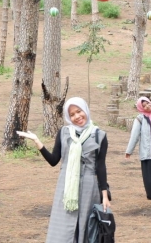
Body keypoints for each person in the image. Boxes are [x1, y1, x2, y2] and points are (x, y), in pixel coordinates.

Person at [18, 97, 110, 243]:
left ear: (85, 110)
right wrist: (37, 141)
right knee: (63, 227)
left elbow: (100, 166)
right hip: (66, 187)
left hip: (89, 186)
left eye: (79, 111)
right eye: (72, 114)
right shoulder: (64, 132)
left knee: (86, 226)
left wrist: (104, 195)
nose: (77, 117)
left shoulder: (99, 135)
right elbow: (54, 160)